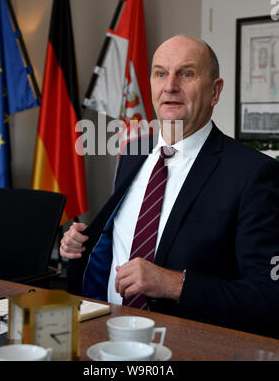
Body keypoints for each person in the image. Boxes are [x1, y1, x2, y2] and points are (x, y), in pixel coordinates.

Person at [60, 35, 279, 337]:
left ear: (215, 91)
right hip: (104, 335)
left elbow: (269, 298)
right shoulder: (132, 153)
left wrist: (174, 284)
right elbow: (116, 244)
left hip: (183, 347)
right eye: (160, 73)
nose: (170, 86)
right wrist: (78, 248)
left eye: (186, 73)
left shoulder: (254, 174)